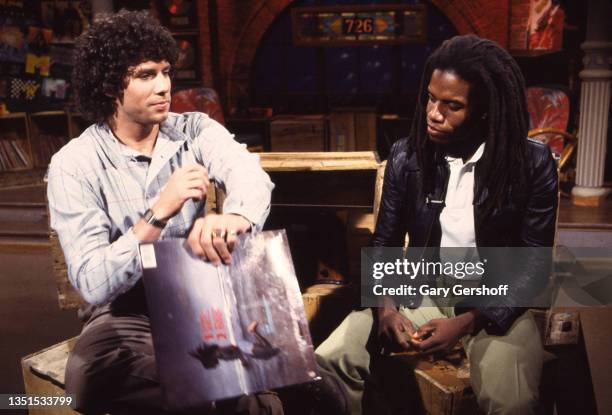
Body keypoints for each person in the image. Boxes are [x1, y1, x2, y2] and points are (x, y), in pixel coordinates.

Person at [47, 10, 281, 414]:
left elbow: (249, 174)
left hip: (201, 296)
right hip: (125, 313)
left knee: (320, 385)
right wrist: (157, 214)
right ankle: (249, 396)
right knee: (91, 376)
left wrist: (237, 217)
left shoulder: (194, 129)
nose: (163, 86)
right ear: (108, 87)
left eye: (166, 72)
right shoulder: (76, 162)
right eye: (145, 75)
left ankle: (241, 393)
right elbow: (93, 284)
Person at [315, 35, 558, 415]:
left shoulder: (531, 164)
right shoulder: (407, 156)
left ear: (485, 111)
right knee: (332, 357)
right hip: (423, 288)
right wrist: (386, 309)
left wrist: (465, 322)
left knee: (511, 401)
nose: (433, 112)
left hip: (492, 301)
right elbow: (386, 244)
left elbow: (533, 267)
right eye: (431, 97)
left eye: (452, 105)